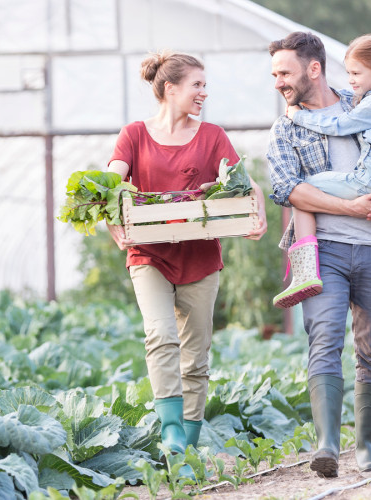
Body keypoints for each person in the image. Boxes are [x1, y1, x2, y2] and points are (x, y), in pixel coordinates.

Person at [267, 32, 371, 477]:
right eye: (274, 74)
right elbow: (286, 188)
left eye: (284, 73)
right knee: (324, 341)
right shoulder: (286, 127)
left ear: (312, 69)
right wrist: (350, 207)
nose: (278, 82)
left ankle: (369, 450)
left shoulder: (365, 101)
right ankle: (327, 447)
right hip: (326, 249)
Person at [106, 50, 267, 463]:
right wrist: (109, 212)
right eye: (196, 85)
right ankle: (172, 430)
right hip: (148, 254)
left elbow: (244, 185)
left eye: (204, 85)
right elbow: (109, 183)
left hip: (200, 258)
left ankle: (188, 448)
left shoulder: (212, 136)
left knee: (196, 355)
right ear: (170, 88)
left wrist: (257, 207)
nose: (203, 93)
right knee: (160, 334)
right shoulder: (134, 135)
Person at [273, 34, 371, 337]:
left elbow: (338, 126)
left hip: (370, 186)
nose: (351, 80)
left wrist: (299, 117)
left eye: (355, 73)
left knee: (304, 186)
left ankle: (306, 272)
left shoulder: (363, 102)